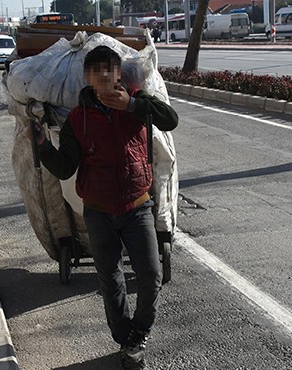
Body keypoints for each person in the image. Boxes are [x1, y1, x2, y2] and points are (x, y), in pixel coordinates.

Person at [26, 45, 178, 369]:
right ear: (88, 78)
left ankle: (140, 331)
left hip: (137, 207)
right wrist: (42, 146)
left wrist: (134, 104)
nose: (104, 78)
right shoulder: (78, 120)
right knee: (110, 279)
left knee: (150, 274)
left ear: (118, 73)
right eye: (96, 73)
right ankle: (127, 339)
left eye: (109, 71)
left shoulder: (138, 104)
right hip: (97, 211)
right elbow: (66, 167)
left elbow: (171, 120)